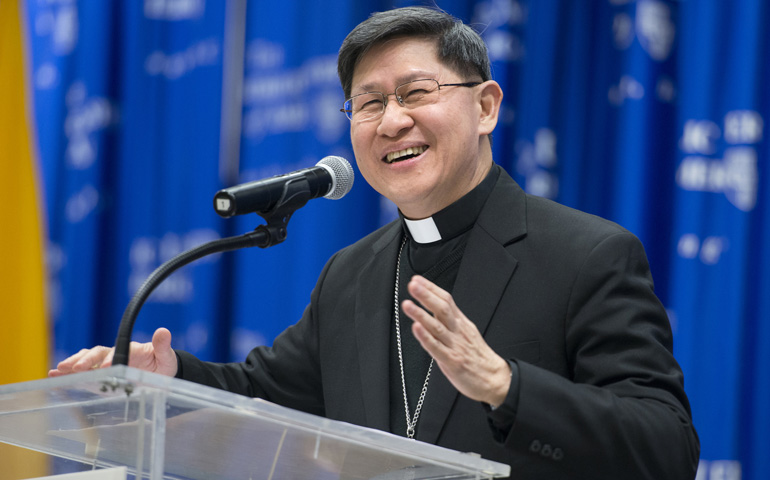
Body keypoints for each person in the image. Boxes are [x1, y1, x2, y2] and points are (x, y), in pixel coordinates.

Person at [50, 6, 699, 479]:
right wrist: (171, 379)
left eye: (417, 92)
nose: (392, 120)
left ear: (486, 106)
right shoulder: (352, 274)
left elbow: (666, 448)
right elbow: (266, 394)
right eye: (368, 103)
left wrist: (506, 387)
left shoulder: (586, 254)